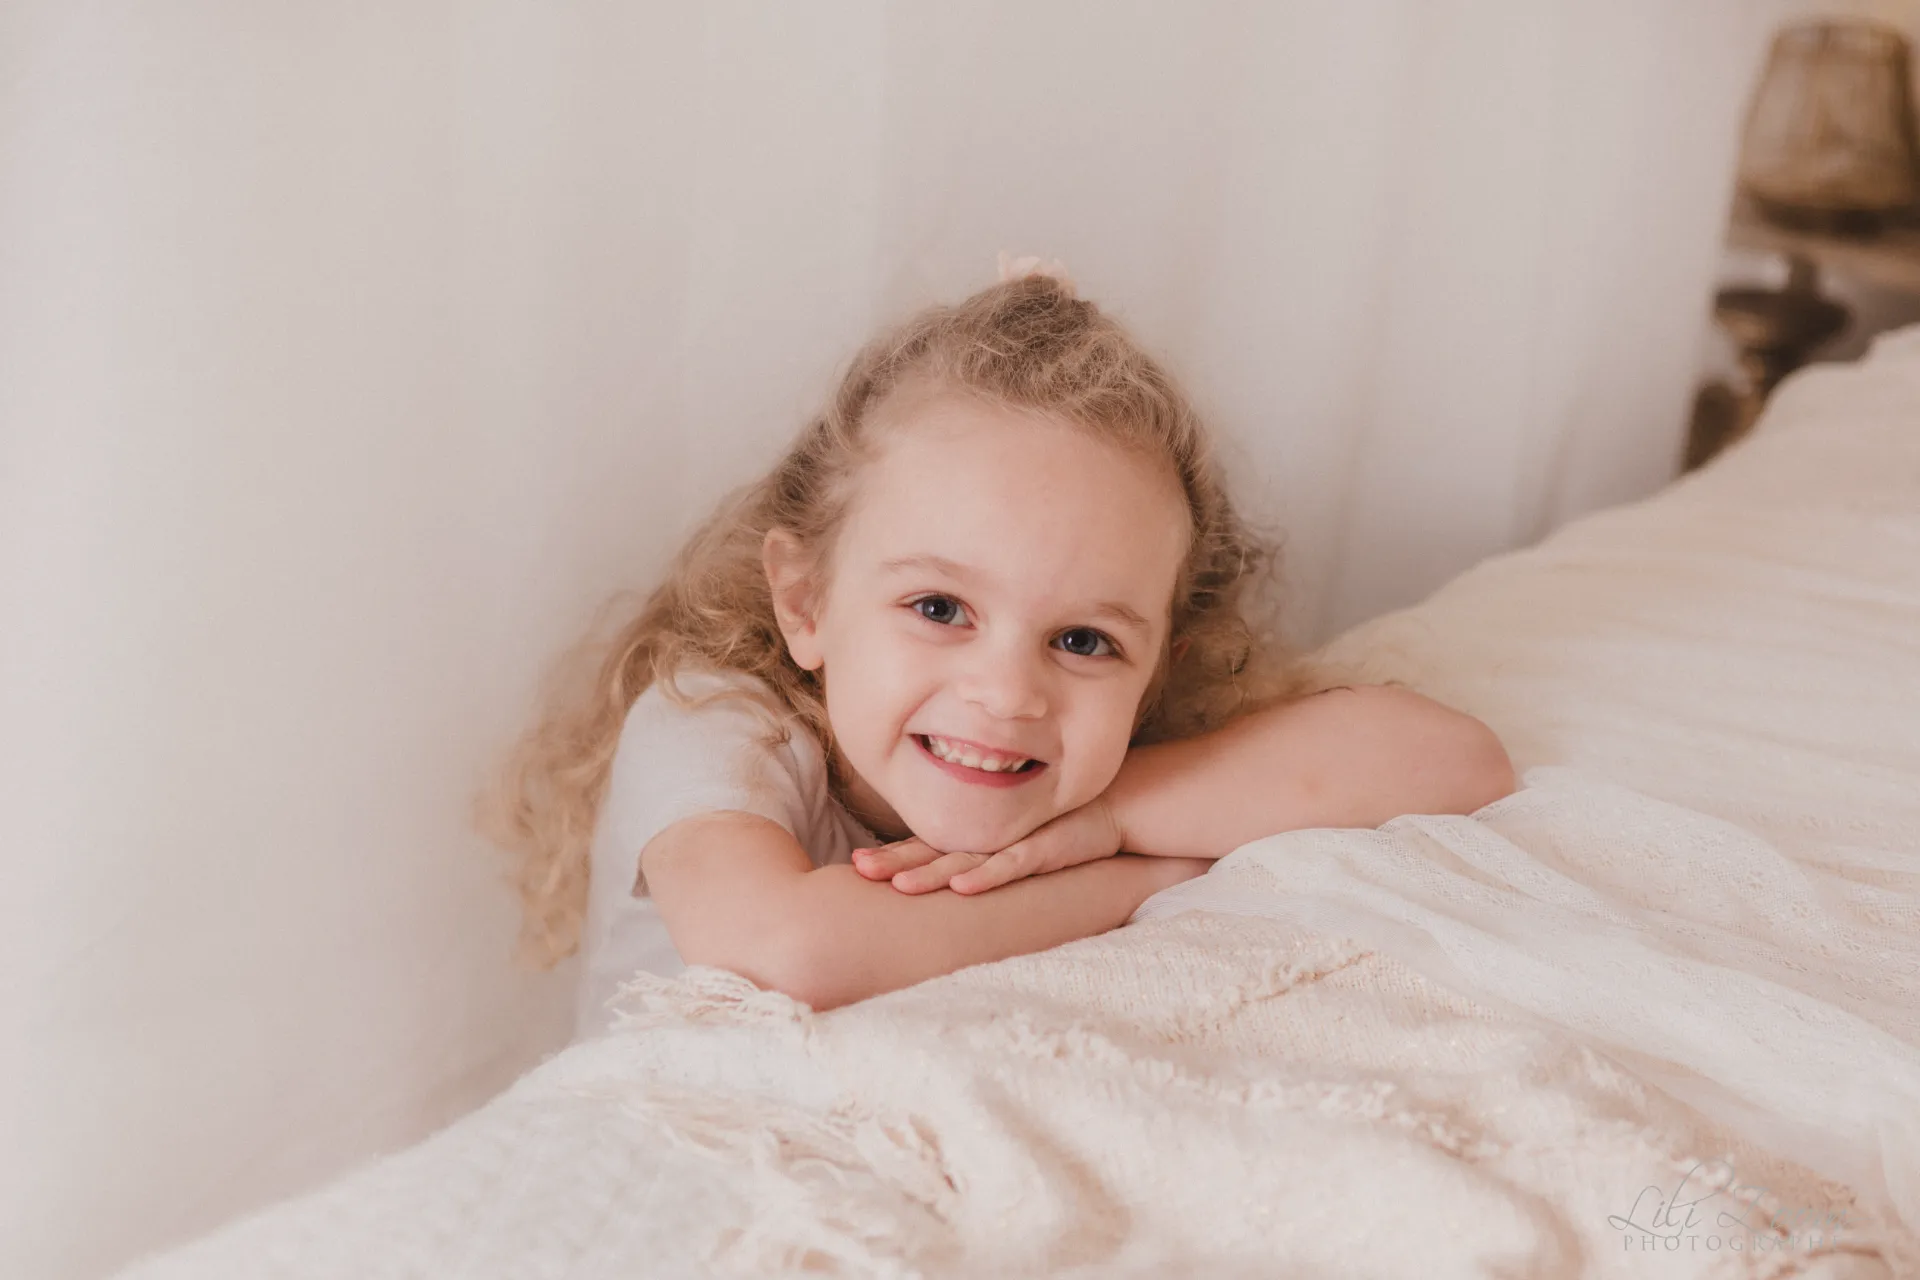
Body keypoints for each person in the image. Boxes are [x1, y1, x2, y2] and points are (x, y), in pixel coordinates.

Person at [483, 263, 1515, 1039]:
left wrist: (1112, 812)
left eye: (1083, 639)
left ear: (1160, 662)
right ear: (804, 600)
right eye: (939, 606)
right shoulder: (712, 718)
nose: (1008, 691)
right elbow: (780, 949)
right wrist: (1138, 877)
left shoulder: (1093, 763)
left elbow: (1460, 761)